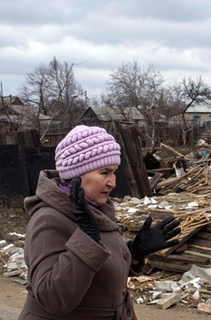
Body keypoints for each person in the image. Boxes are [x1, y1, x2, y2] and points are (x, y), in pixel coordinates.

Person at [19, 125, 181, 320]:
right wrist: (87, 237)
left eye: (114, 172)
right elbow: (52, 297)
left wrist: (134, 252)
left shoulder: (94, 210)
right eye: (105, 172)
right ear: (76, 175)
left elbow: (96, 274)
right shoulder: (48, 219)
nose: (113, 182)